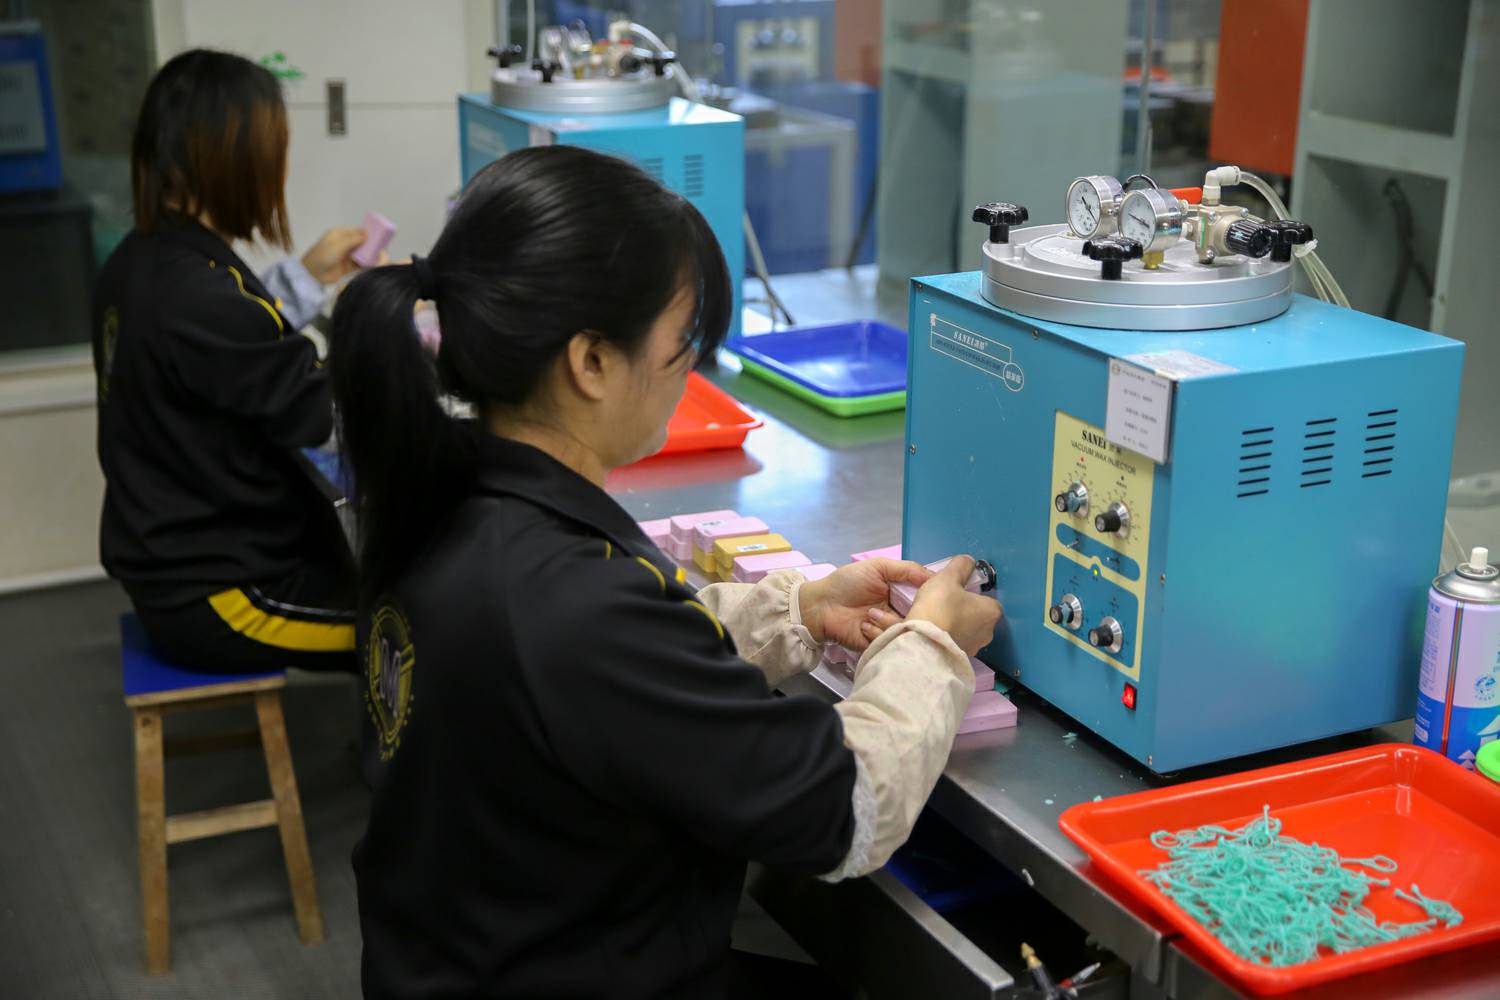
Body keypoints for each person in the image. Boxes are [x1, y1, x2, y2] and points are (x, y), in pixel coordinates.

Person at [332, 144, 1003, 999]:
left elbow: (589, 674)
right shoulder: (572, 603)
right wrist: (931, 642)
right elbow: (848, 811)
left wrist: (795, 608)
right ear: (591, 362)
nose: (689, 365)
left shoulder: (444, 497)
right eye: (681, 338)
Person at [92, 49, 375, 672]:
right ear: (237, 160)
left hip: (176, 562)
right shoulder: (196, 295)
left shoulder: (143, 260)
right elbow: (328, 416)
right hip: (226, 597)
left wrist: (306, 277)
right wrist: (383, 319)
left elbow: (224, 358)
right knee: (425, 634)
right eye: (275, 151)